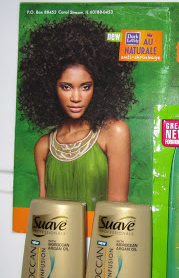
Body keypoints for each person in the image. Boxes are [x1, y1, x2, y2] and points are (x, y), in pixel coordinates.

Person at [18, 15, 136, 210]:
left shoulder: (114, 132)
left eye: (85, 86)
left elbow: (116, 213)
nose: (76, 97)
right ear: (49, 88)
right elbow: (43, 212)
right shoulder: (44, 146)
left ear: (98, 87)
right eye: (66, 87)